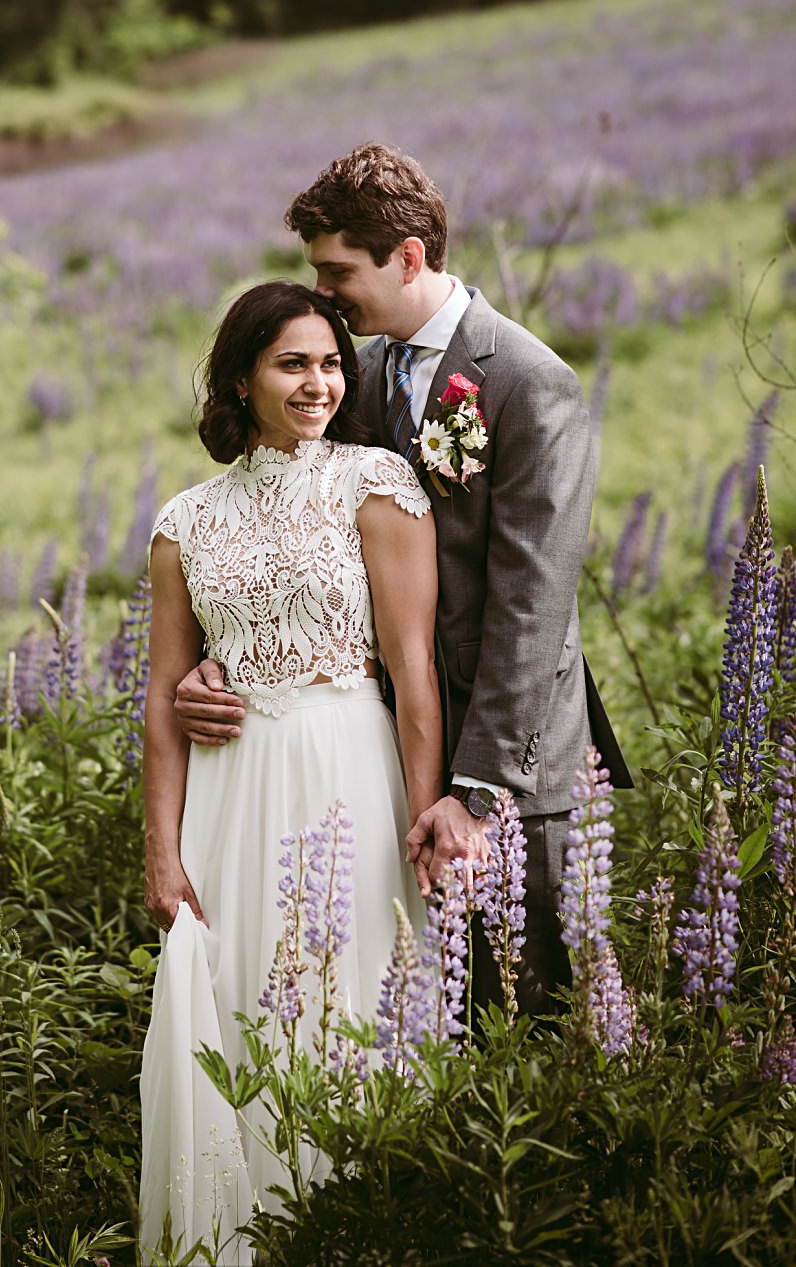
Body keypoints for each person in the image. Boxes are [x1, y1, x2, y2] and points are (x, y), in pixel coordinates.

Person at [174, 142, 631, 1019]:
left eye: (338, 269)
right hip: (381, 750)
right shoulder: (359, 372)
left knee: (526, 1014)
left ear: (409, 256)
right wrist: (223, 661)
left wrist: (474, 790)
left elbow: (531, 608)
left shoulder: (532, 382)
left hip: (511, 758)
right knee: (414, 1017)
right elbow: (289, 521)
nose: (326, 291)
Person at [139, 280, 442, 1263]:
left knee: (353, 1005)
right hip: (229, 797)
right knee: (235, 1008)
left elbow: (413, 670)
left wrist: (426, 809)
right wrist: (161, 852)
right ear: (240, 377)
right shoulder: (185, 522)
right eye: (290, 363)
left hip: (348, 774)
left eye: (328, 362)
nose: (317, 382)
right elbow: (162, 696)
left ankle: (364, 1233)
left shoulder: (377, 483)